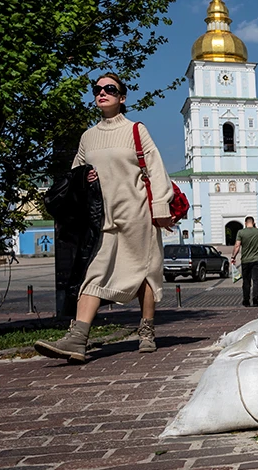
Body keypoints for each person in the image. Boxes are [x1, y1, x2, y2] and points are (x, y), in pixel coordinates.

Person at [34, 73, 175, 363]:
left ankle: (146, 330)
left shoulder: (136, 130)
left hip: (138, 216)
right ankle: (78, 338)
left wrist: (160, 206)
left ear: (122, 98)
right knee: (93, 273)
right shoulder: (88, 137)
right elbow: (75, 174)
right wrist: (84, 177)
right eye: (97, 89)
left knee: (144, 272)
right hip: (102, 219)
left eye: (109, 89)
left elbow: (156, 168)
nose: (102, 93)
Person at [231, 216, 258, 307]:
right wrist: (256, 229)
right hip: (257, 259)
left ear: (245, 223)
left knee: (246, 281)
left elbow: (237, 246)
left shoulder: (241, 232)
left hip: (245, 260)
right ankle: (255, 300)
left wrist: (233, 257)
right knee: (256, 280)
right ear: (253, 222)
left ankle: (246, 300)